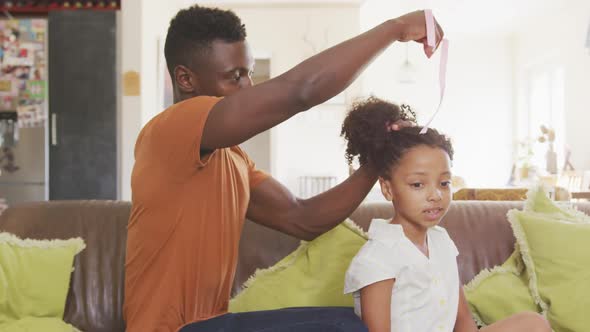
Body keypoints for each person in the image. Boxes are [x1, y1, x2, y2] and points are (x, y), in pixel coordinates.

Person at [124, 4, 444, 332]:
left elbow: (302, 218)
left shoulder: (232, 159)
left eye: (248, 72)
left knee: (349, 321)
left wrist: (376, 162)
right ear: (185, 79)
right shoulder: (169, 130)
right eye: (235, 77)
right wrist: (396, 27)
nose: (248, 86)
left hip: (212, 324)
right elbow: (299, 91)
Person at [342, 97, 552, 332]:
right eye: (418, 185)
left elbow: (462, 320)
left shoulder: (441, 241)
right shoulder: (377, 257)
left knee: (533, 323)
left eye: (444, 183)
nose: (435, 195)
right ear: (388, 188)